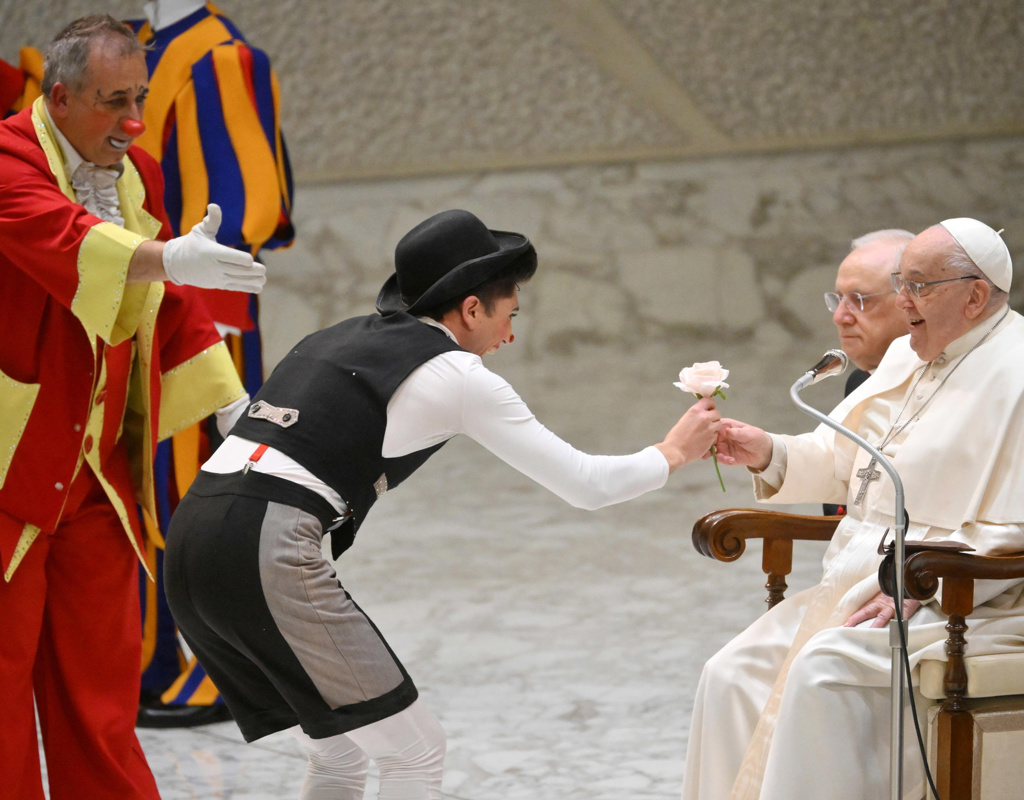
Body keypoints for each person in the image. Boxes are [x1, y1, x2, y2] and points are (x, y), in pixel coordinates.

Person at [163, 208, 722, 799]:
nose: (509, 335)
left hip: (191, 540)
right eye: (509, 315)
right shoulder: (456, 372)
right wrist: (672, 452)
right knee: (415, 751)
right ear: (472, 309)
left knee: (342, 753)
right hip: (262, 547)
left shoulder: (330, 336)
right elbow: (585, 483)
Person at [684, 218, 1024, 800]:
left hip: (991, 600)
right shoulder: (909, 356)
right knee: (730, 673)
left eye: (918, 287)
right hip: (875, 585)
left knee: (824, 671)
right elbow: (848, 459)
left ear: (975, 296)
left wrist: (925, 583)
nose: (904, 302)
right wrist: (770, 453)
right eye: (901, 284)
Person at [0, 15, 265, 799]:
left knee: (101, 691)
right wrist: (168, 254)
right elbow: (64, 240)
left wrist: (230, 399)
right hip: (9, 474)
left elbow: (162, 300)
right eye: (117, 102)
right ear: (60, 98)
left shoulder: (130, 173)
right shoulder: (8, 159)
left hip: (95, 478)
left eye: (140, 98)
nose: (135, 122)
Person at [126, 0, 296, 728]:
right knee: (146, 489)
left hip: (197, 323)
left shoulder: (220, 56)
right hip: (140, 308)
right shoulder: (142, 45)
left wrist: (197, 322)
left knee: (192, 493)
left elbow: (241, 205)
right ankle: (150, 658)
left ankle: (207, 669)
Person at [821, 228, 912, 515]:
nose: (840, 317)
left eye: (859, 299)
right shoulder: (859, 381)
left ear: (910, 300)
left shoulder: (949, 385)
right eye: (839, 299)